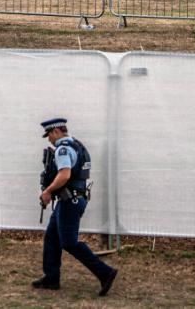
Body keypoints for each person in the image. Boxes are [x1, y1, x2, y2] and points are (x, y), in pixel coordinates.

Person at [34, 118, 118, 297]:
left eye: (49, 134)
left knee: (69, 243)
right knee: (52, 237)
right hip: (73, 199)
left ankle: (105, 273)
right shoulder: (76, 144)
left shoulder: (63, 149)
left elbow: (64, 175)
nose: (49, 139)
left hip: (69, 202)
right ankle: (51, 278)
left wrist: (48, 191)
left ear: (56, 131)